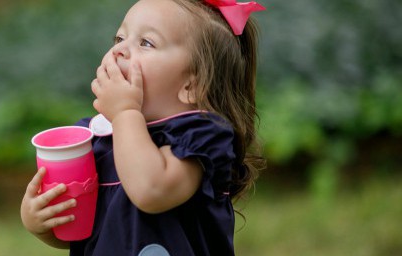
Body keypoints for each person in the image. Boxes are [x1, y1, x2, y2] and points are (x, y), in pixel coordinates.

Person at [21, 0, 265, 254]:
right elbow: (88, 233)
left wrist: (125, 112)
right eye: (119, 38)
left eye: (146, 43)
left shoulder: (201, 136)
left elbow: (151, 190)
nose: (120, 50)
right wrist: (43, 224)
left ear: (193, 85)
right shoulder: (97, 137)